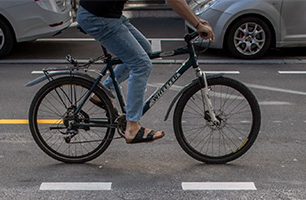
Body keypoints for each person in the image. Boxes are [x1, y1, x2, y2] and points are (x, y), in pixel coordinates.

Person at [77, 0, 214, 144]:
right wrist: (197, 24)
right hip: (98, 17)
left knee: (145, 50)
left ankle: (103, 92)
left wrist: (196, 20)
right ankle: (132, 128)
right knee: (141, 64)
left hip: (107, 14)